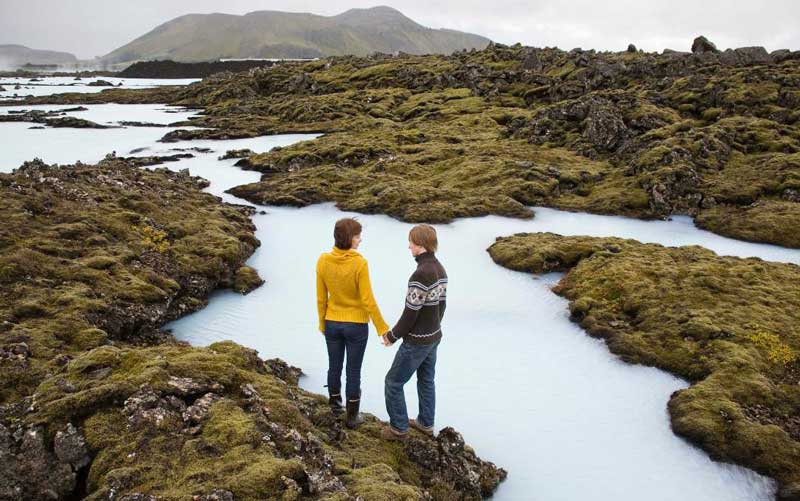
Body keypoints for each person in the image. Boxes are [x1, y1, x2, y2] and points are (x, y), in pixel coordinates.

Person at [316, 217, 390, 429]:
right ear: (349, 238)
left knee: (334, 366)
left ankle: (334, 407)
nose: (360, 240)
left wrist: (322, 323)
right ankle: (351, 417)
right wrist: (382, 328)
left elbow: (321, 297)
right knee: (353, 371)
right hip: (356, 326)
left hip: (332, 322)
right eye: (357, 236)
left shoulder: (323, 260)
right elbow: (367, 300)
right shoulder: (359, 263)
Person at [381, 224, 447, 440]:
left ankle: (399, 429)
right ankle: (426, 424)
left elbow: (411, 313)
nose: (408, 246)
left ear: (420, 244)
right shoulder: (440, 269)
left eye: (411, 242)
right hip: (434, 337)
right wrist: (433, 327)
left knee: (393, 382)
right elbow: (442, 306)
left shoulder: (420, 275)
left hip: (417, 341)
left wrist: (392, 336)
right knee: (426, 381)